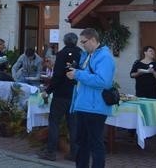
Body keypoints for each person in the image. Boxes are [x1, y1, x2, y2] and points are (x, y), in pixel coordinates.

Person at [66, 27, 115, 168]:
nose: (82, 45)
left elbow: (103, 81)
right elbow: (86, 77)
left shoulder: (104, 57)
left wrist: (78, 74)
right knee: (82, 143)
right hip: (84, 105)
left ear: (93, 40)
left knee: (95, 144)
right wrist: (76, 71)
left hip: (95, 107)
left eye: (84, 42)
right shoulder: (89, 55)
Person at [39, 32, 82, 162]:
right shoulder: (81, 53)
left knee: (54, 122)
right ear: (76, 41)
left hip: (60, 94)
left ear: (64, 41)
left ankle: (50, 152)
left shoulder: (62, 54)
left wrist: (48, 90)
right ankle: (75, 153)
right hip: (75, 94)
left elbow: (57, 76)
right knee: (73, 125)